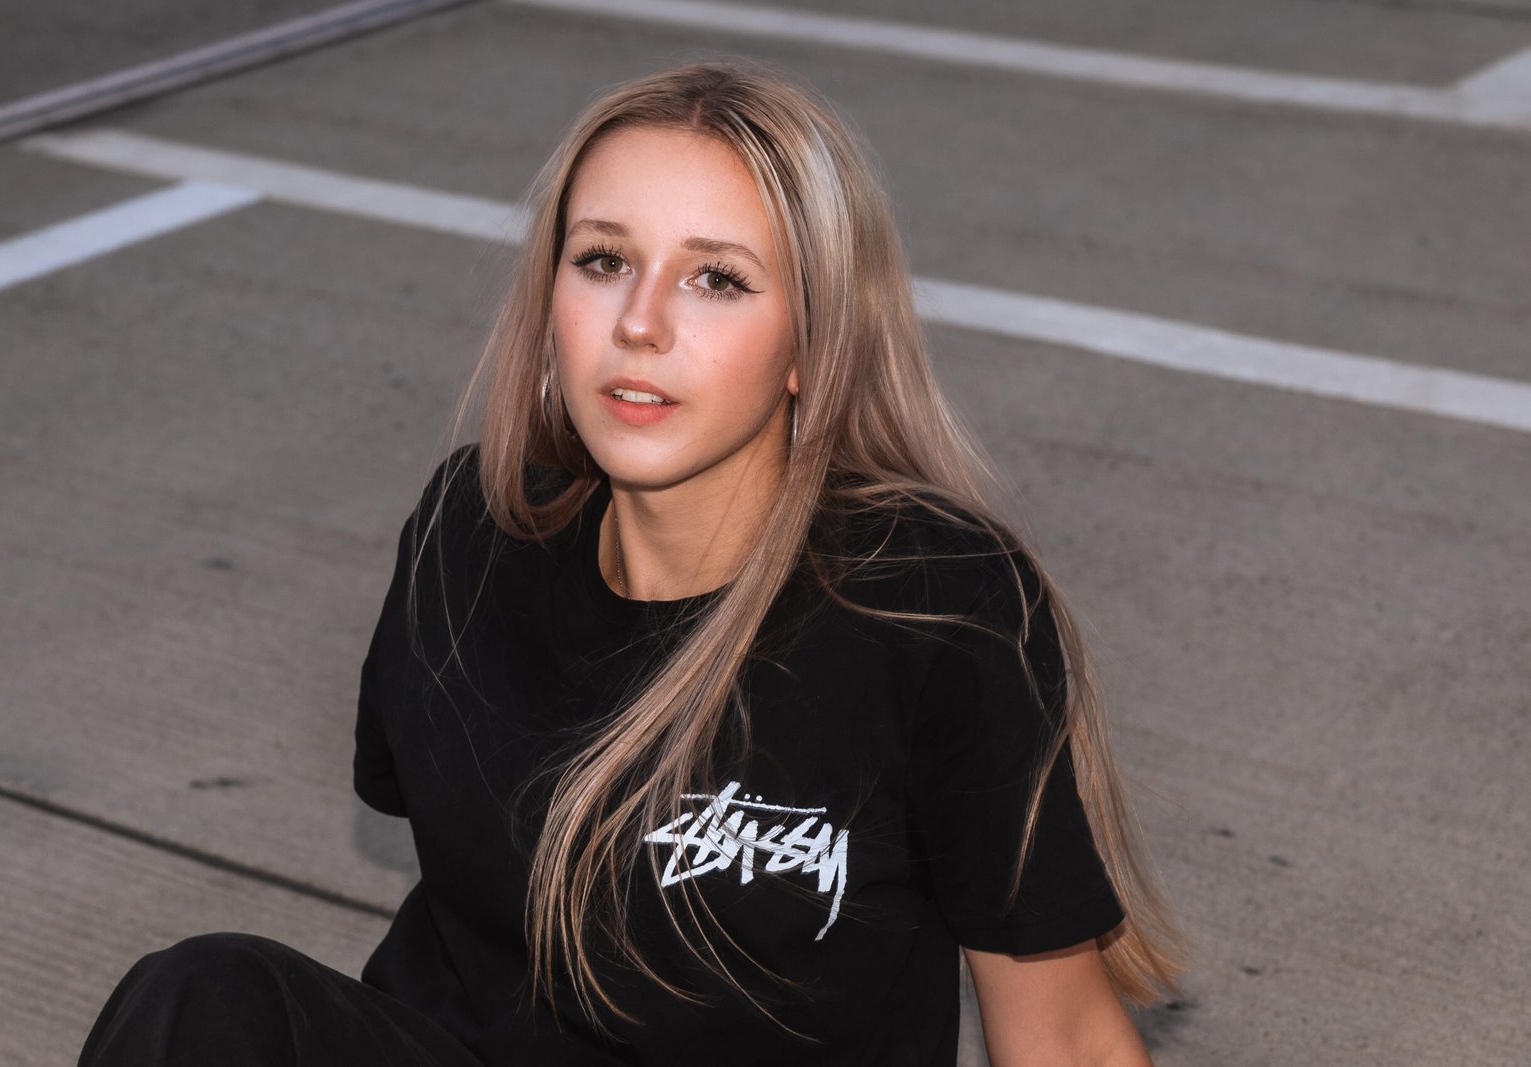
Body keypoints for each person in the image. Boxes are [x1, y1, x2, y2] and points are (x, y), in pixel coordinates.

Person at [79, 62, 1182, 1066]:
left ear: (813, 342)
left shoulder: (937, 606)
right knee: (202, 996)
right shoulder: (472, 532)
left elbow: (1065, 1037)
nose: (640, 322)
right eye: (603, 261)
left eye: (718, 279)